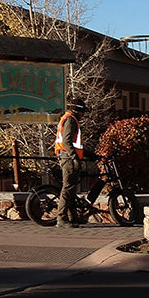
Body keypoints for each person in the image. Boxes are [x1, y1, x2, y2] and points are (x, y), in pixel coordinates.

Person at [54, 96, 87, 227]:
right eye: (82, 112)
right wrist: (75, 157)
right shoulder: (71, 120)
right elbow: (67, 141)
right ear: (77, 110)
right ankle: (61, 219)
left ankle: (73, 217)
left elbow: (75, 143)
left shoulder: (67, 118)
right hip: (68, 158)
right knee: (67, 188)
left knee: (72, 188)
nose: (83, 115)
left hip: (67, 156)